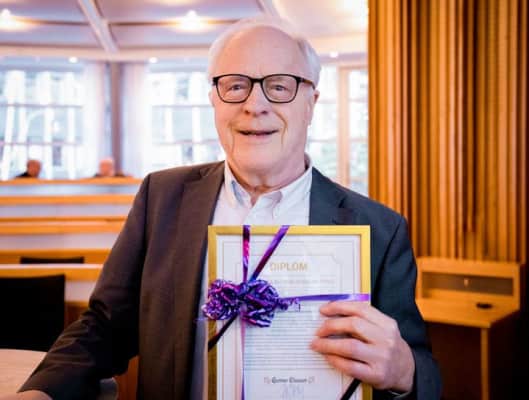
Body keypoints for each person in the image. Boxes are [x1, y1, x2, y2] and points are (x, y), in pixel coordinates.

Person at [8, 16, 441, 400]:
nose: (255, 104)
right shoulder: (162, 199)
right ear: (214, 100)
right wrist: (42, 392)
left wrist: (404, 372)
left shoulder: (379, 230)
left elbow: (423, 374)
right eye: (235, 85)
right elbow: (104, 327)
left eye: (279, 86)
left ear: (311, 103)